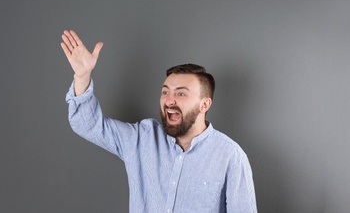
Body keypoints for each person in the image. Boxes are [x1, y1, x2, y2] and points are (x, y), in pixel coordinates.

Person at [61, 30, 258, 213]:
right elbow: (87, 125)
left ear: (204, 104)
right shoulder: (142, 138)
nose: (169, 100)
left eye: (181, 93)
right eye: (165, 92)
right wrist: (82, 76)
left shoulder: (230, 156)